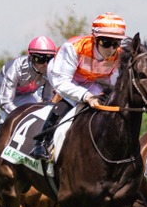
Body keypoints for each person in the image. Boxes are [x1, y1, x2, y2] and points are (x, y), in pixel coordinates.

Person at [29, 13, 127, 161]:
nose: (111, 49)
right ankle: (41, 142)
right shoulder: (73, 48)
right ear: (95, 39)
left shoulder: (119, 55)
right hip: (65, 76)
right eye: (106, 43)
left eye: (116, 43)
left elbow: (111, 84)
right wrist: (86, 96)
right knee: (70, 101)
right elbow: (62, 83)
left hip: (92, 78)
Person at [0, 36, 57, 120]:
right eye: (41, 59)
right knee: (9, 119)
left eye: (49, 59)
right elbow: (5, 102)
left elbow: (47, 100)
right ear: (31, 57)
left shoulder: (50, 71)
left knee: (38, 116)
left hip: (24, 95)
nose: (46, 64)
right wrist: (22, 116)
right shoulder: (17, 67)